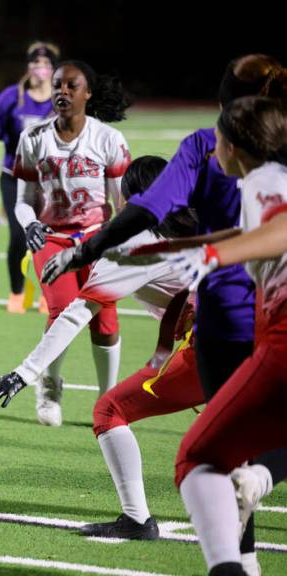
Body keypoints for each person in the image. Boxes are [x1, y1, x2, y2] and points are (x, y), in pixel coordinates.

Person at [40, 54, 287, 568]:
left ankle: (236, 556)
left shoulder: (215, 152)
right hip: (250, 327)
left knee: (207, 459)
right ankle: (255, 504)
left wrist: (90, 250)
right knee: (234, 457)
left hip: (236, 328)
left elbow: (154, 210)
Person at [0, 156, 203, 541]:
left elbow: (76, 315)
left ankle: (137, 519)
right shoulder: (206, 219)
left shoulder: (136, 245)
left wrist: (25, 372)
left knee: (110, 409)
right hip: (260, 334)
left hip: (216, 346)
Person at [169, 96, 287, 576]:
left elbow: (281, 226)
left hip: (282, 338)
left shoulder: (261, 181)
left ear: (234, 147)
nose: (208, 143)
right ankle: (260, 478)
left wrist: (215, 259)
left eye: (215, 135)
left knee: (197, 459)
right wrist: (188, 247)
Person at [10, 60, 132, 427]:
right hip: (52, 237)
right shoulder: (33, 137)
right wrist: (29, 224)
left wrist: (120, 241)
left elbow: (121, 202)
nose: (62, 91)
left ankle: (107, 400)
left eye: (71, 86)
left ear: (87, 93)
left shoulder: (108, 139)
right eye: (58, 85)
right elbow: (21, 200)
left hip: (97, 238)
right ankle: (49, 385)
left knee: (106, 322)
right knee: (61, 309)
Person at [0, 41, 58, 313]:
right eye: (36, 63)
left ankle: (49, 294)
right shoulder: (12, 96)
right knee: (18, 236)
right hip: (13, 176)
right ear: (28, 67)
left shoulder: (60, 97)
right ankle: (17, 291)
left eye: (47, 64)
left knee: (50, 238)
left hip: (50, 180)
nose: (41, 68)